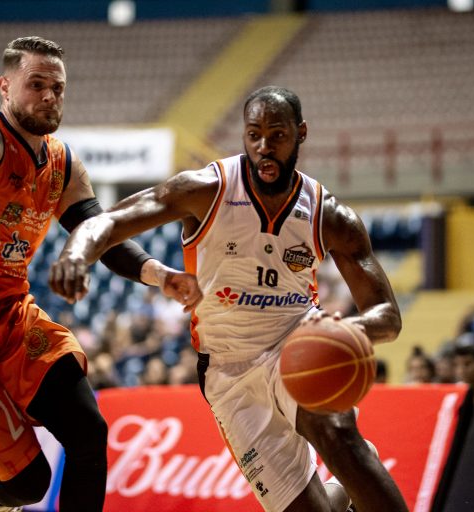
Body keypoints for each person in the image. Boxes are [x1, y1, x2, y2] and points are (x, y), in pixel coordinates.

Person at [50, 86, 407, 512]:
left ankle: (352, 466)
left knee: (338, 436)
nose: (264, 147)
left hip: (297, 346)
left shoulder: (328, 214)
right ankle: (343, 489)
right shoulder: (205, 189)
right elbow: (107, 222)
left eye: (277, 135)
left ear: (301, 133)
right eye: (254, 134)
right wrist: (75, 254)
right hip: (227, 370)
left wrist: (345, 330)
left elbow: (387, 316)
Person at [0, 37, 202, 512]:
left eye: (57, 88)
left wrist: (161, 275)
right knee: (30, 482)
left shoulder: (63, 163)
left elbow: (100, 232)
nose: (49, 96)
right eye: (36, 85)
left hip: (13, 316)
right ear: (5, 86)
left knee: (89, 433)